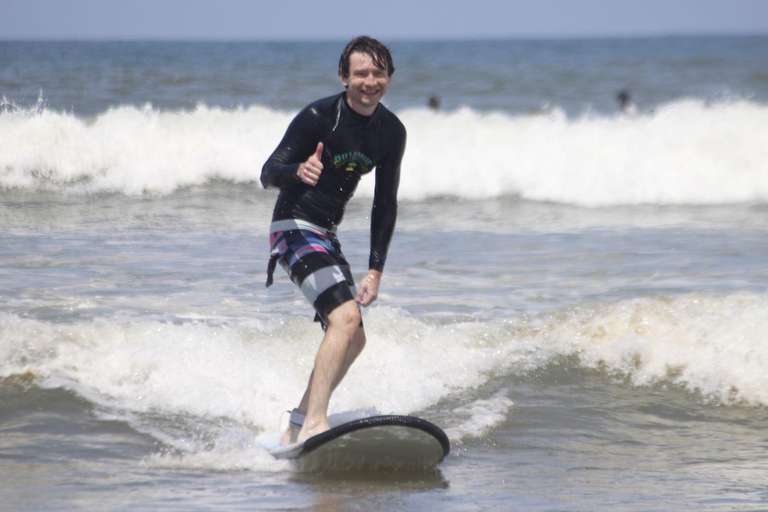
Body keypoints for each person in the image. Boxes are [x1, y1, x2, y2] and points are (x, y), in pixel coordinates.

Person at [261, 36, 406, 446]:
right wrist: (297, 171)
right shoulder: (318, 117)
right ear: (344, 77)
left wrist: (375, 269)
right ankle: (315, 424)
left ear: (389, 78)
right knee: (344, 319)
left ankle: (298, 422)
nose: (370, 81)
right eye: (361, 73)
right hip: (292, 226)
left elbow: (385, 204)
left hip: (326, 233)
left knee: (354, 335)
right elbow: (267, 172)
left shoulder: (392, 131)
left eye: (378, 73)